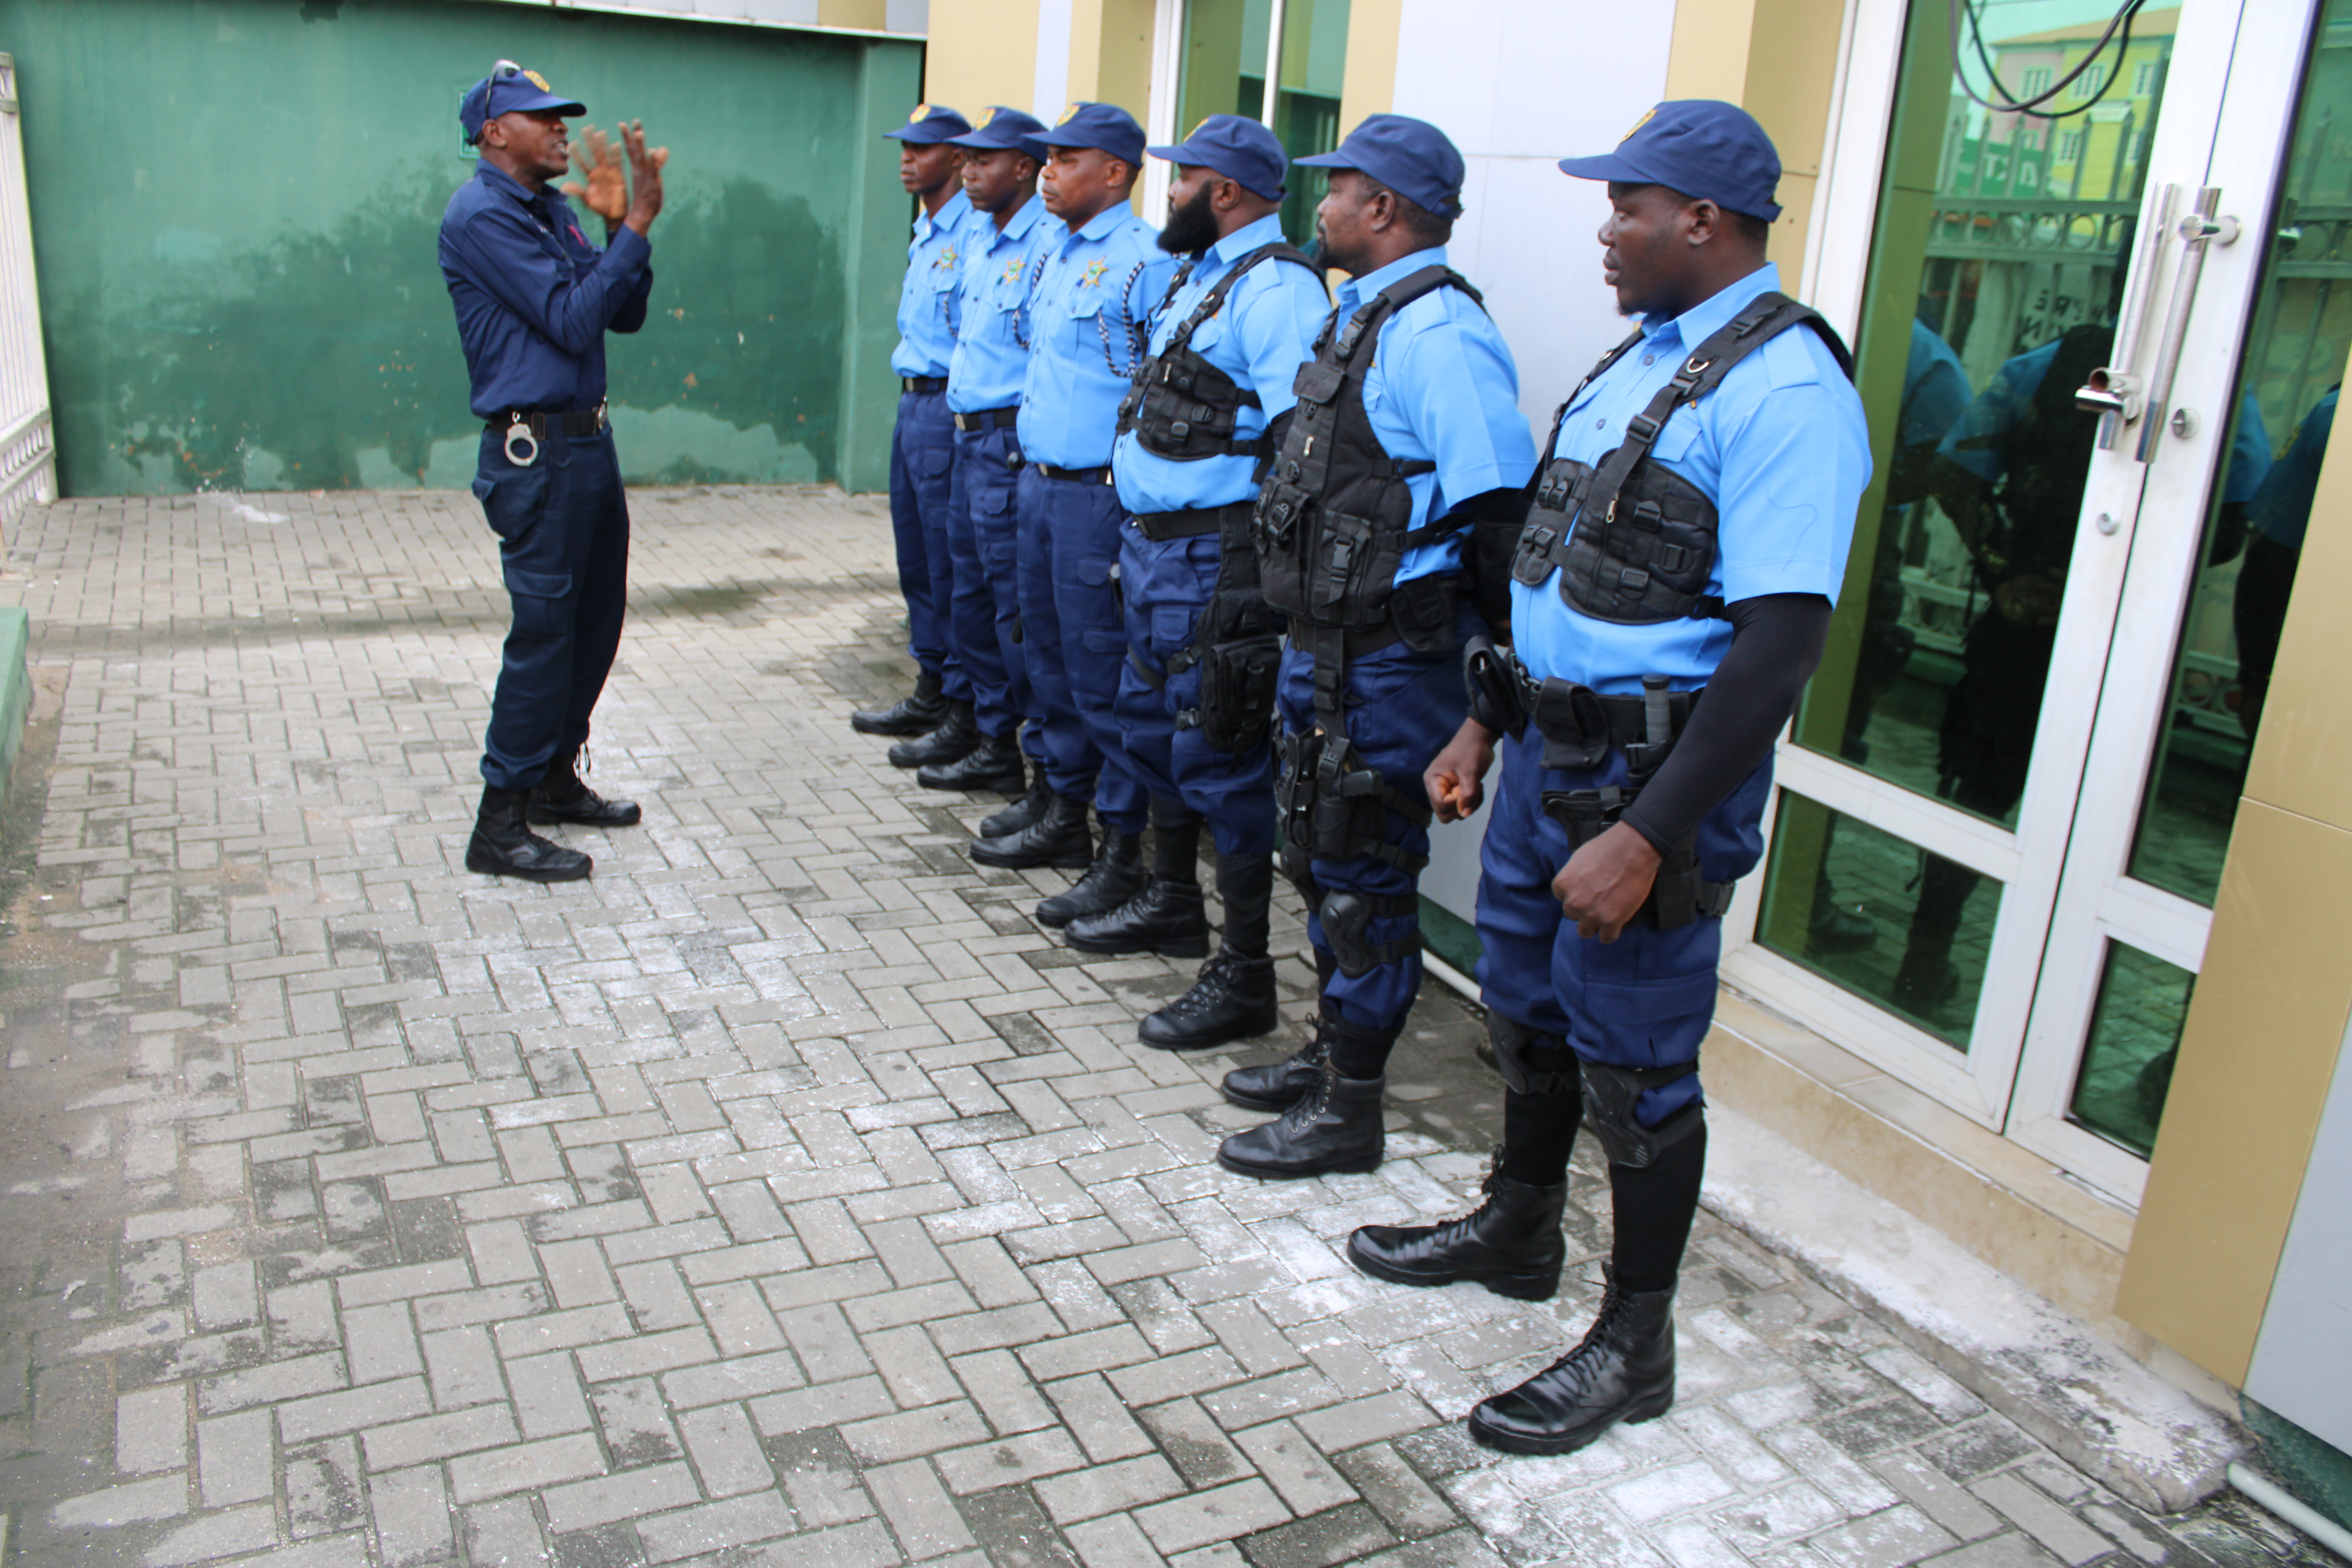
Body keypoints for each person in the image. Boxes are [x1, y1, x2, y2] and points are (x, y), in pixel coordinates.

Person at [1345, 101, 1870, 1456]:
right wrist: (1483, 725)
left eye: (1626, 206)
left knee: (1636, 1069)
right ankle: (1520, 1226)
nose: (1605, 229)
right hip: (1542, 763)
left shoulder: (1787, 389)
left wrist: (1647, 836)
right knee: (1523, 1007)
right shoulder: (1640, 362)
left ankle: (1638, 1342)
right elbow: (1560, 580)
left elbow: (1780, 650)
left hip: (1648, 784)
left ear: (1703, 219)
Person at [1214, 115, 1535, 1177]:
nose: (1323, 205)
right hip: (1330, 651)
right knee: (1318, 850)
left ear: (1385, 209)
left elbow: (1499, 516)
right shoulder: (1364, 316)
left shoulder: (1438, 333)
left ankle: (1352, 1110)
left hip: (1393, 660)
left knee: (1363, 876)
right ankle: (1330, 1055)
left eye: (1339, 187)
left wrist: (1485, 695)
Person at [1090, 115, 1330, 1047]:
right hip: (1157, 552)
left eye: (1181, 178)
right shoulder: (1211, 273)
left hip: (1212, 560)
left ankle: (1244, 974)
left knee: (1221, 755)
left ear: (1223, 191)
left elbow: (1296, 445)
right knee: (1153, 728)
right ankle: (1168, 900)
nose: (1170, 194)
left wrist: (1260, 574)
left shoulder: (1276, 293)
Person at [440, 62, 666, 881]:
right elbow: (574, 322)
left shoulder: (551, 209)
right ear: (495, 131)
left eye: (564, 115)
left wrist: (617, 232)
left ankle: (552, 777)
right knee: (544, 638)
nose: (563, 128)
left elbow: (625, 312)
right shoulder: (480, 216)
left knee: (593, 626)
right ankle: (499, 824)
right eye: (544, 117)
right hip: (535, 454)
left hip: (586, 446)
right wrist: (638, 221)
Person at [970, 104, 1180, 895]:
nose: (1049, 172)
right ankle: (1058, 804)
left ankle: (1120, 850)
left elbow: (1159, 388)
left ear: (1116, 173)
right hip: (1037, 485)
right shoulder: (1054, 251)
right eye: (1047, 160)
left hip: (1097, 497)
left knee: (1101, 673)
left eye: (1066, 160)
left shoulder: (1145, 259)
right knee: (1042, 655)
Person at [910, 107, 1056, 802]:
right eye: (964, 160)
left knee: (1009, 606)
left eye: (984, 160)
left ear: (1023, 168)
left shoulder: (1048, 247)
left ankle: (1018, 753)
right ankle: (982, 731)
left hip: (1006, 444)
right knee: (965, 593)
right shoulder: (983, 240)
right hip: (966, 433)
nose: (969, 170)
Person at [851, 104, 976, 740]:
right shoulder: (927, 230)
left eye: (922, 148)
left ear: (956, 158)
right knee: (916, 560)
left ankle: (959, 698)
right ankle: (931, 683)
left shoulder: (973, 233)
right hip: (912, 403)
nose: (907, 158)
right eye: (904, 146)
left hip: (947, 407)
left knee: (947, 560)